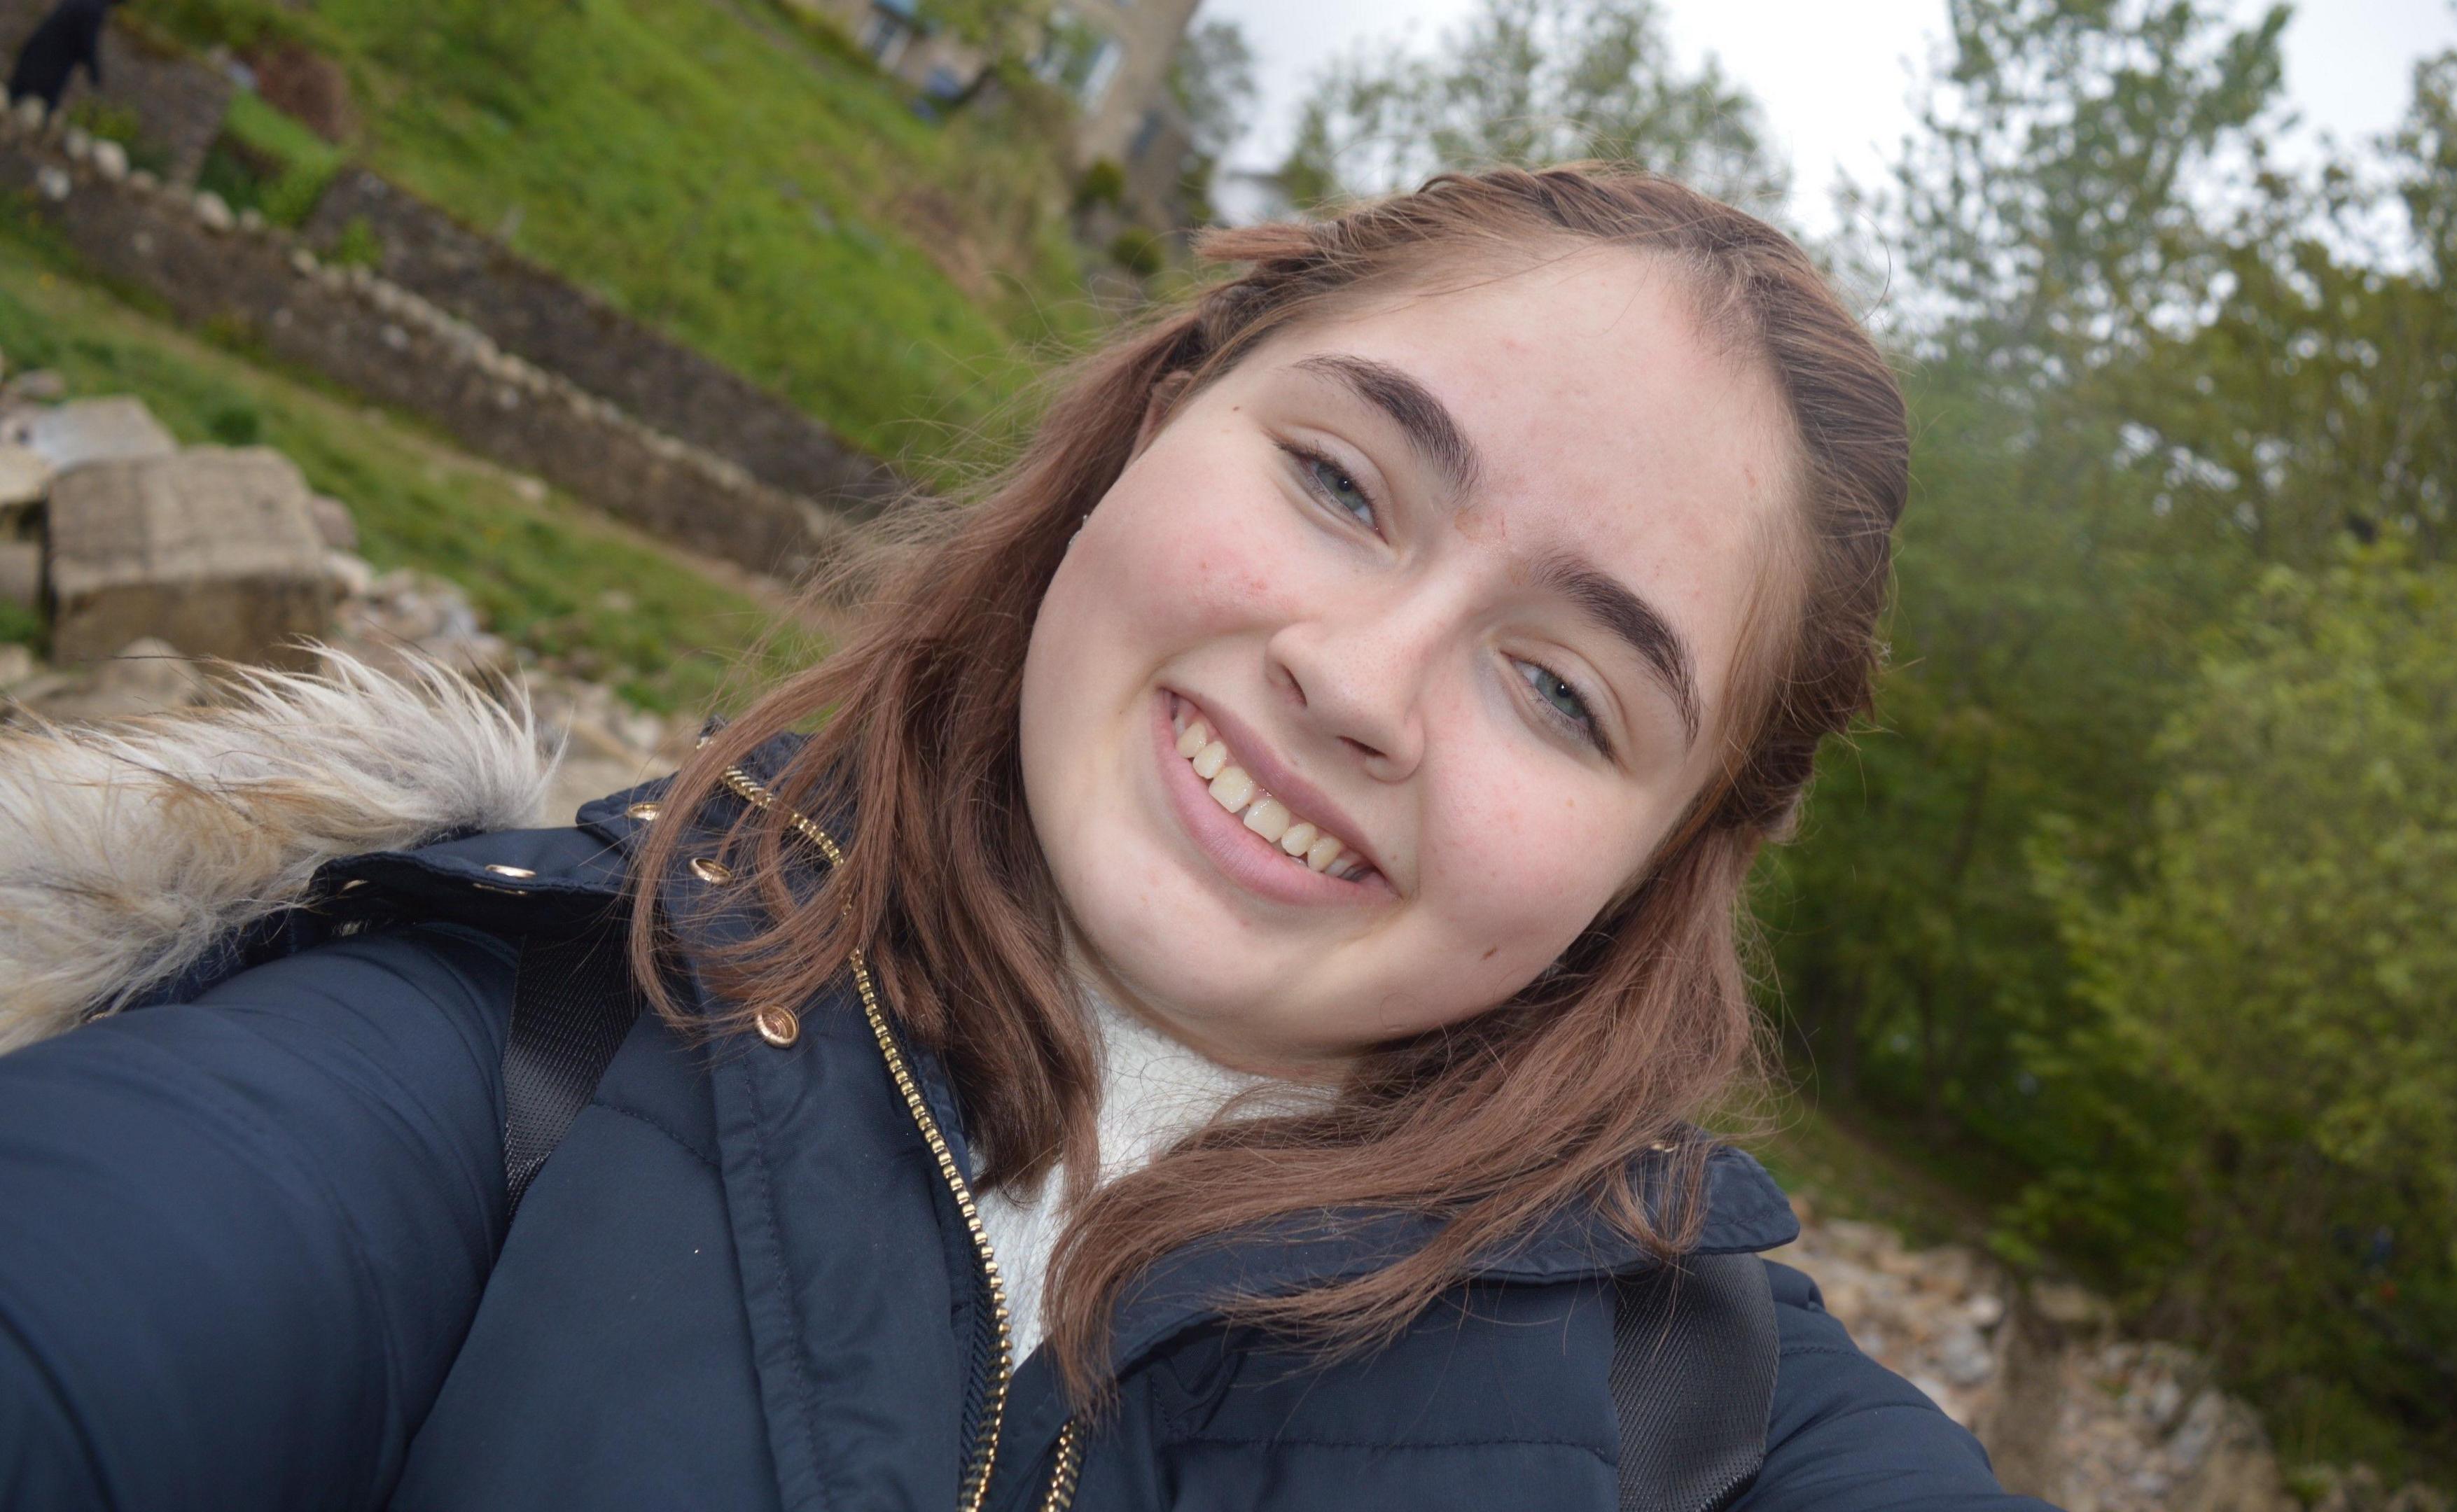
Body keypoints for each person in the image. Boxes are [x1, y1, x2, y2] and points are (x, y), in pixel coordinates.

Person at [0, 164, 2059, 1510]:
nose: (1360, 683)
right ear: (1164, 413)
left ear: (1667, 857)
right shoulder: (489, 1040)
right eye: (1344, 485)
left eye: (1561, 691)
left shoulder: (1702, 1419)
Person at [4, 0, 123, 117]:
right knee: (33, 109)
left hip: (38, 52)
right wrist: (95, 75)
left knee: (15, 97)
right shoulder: (95, 9)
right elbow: (87, 43)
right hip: (49, 68)